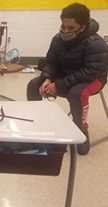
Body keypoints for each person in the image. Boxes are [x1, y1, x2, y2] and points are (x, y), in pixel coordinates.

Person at [27, 3, 108, 155]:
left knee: (77, 93)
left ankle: (81, 132)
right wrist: (48, 78)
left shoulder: (96, 44)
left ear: (82, 26)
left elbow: (89, 72)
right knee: (33, 85)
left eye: (70, 28)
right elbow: (51, 62)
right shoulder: (57, 39)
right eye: (63, 26)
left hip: (94, 78)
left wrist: (58, 85)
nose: (65, 31)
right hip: (66, 75)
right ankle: (38, 125)